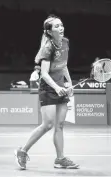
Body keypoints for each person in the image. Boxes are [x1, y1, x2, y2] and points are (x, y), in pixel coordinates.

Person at [14, 14, 79, 169]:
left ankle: (60, 159)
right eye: (57, 26)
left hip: (61, 87)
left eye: (61, 25)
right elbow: (44, 73)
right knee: (47, 125)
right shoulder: (47, 47)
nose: (61, 28)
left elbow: (63, 65)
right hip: (48, 88)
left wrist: (69, 82)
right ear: (49, 31)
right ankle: (22, 151)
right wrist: (57, 87)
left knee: (60, 125)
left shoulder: (65, 43)